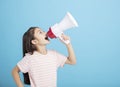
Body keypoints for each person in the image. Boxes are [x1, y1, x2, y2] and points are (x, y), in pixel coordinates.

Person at [12, 27, 76, 87]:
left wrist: (68, 44)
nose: (45, 33)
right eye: (40, 32)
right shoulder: (30, 58)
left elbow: (72, 61)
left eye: (43, 31)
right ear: (34, 41)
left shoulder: (54, 54)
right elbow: (14, 71)